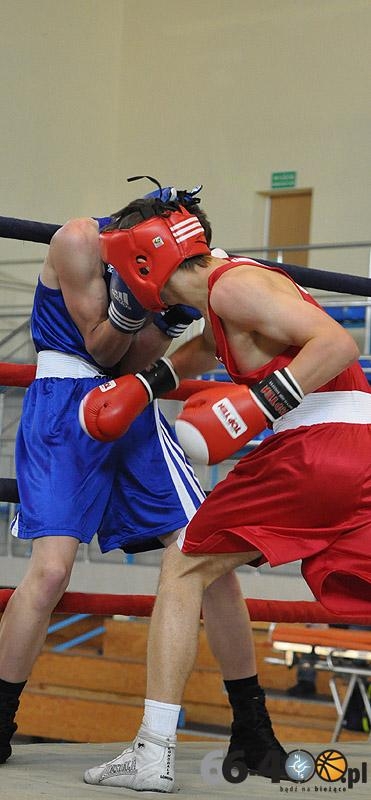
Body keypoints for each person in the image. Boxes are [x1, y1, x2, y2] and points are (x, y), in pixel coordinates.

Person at [79, 193, 371, 791]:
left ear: (143, 260)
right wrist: (144, 384)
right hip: (351, 449)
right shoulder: (224, 295)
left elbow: (340, 345)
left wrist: (255, 407)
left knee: (184, 567)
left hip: (319, 445)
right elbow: (210, 349)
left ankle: (154, 752)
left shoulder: (234, 287)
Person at [0, 182, 287, 778]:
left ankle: (253, 729)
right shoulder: (80, 241)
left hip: (131, 406)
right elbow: (102, 347)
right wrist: (135, 302)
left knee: (206, 558)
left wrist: (175, 306)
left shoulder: (179, 268)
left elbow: (133, 366)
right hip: (63, 405)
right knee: (50, 570)